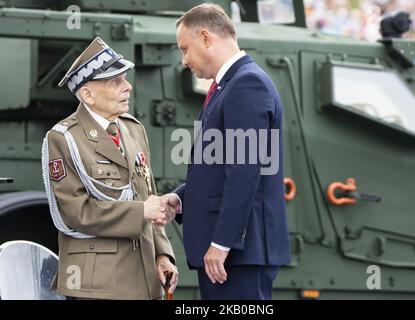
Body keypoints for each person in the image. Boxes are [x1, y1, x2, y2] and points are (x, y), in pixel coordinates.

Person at [158, 3, 291, 300]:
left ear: (206, 38)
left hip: (237, 255)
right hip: (233, 254)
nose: (184, 61)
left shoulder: (246, 84)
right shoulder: (229, 85)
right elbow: (218, 165)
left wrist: (222, 243)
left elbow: (244, 172)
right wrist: (182, 197)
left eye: (185, 49)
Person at [41, 37, 178, 300]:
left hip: (146, 281)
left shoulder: (133, 129)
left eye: (125, 79)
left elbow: (147, 198)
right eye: (115, 81)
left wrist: (162, 254)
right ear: (87, 94)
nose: (127, 87)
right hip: (99, 284)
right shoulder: (63, 138)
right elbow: (76, 212)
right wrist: (142, 211)